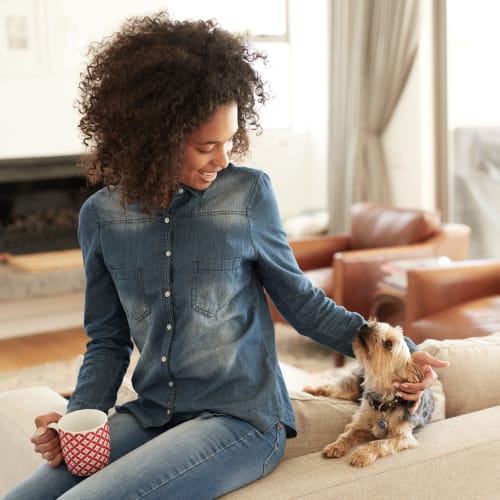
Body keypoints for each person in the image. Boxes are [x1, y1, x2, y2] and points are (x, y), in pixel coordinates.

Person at [5, 12, 448, 500]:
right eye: (205, 146)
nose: (223, 158)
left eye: (230, 139)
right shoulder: (100, 217)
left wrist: (399, 357)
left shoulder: (249, 195)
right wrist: (76, 421)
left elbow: (300, 302)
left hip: (242, 420)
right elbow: (108, 341)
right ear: (153, 140)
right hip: (153, 412)